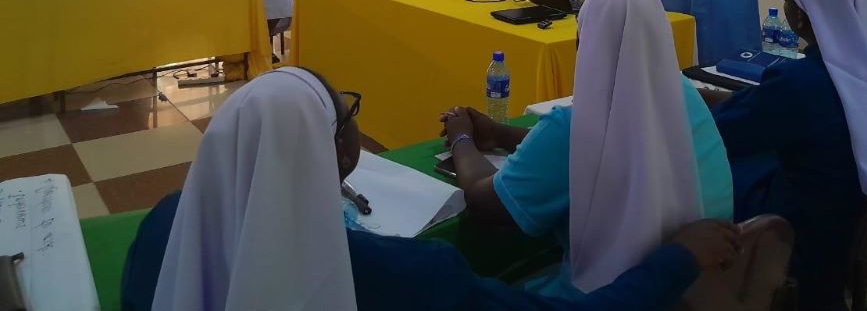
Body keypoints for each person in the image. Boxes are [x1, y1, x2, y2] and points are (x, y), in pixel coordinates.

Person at [127, 66, 742, 311]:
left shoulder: (165, 223)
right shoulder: (411, 275)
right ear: (342, 151)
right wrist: (677, 259)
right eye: (349, 117)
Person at [442, 0, 733, 299]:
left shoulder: (568, 126)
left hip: (610, 297)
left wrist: (462, 138)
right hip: (701, 290)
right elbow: (599, 149)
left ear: (584, 43)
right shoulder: (686, 98)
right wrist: (499, 133)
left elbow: (488, 204)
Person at [708, 0, 867, 309]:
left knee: (715, 171)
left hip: (818, 251)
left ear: (799, 15)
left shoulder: (799, 83)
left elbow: (722, 132)